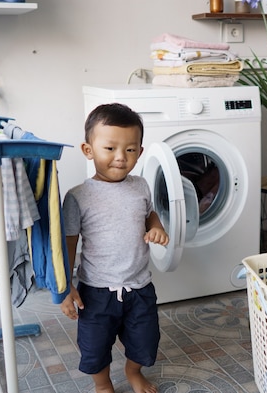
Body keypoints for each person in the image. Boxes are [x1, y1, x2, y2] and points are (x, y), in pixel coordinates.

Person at [61, 103, 169, 393]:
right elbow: (69, 242)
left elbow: (149, 214)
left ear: (140, 152)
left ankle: (134, 373)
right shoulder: (78, 196)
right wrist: (67, 285)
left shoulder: (141, 186)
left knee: (145, 340)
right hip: (95, 291)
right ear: (88, 150)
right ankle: (103, 383)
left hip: (139, 287)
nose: (121, 158)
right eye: (110, 149)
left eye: (130, 150)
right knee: (94, 346)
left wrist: (156, 226)